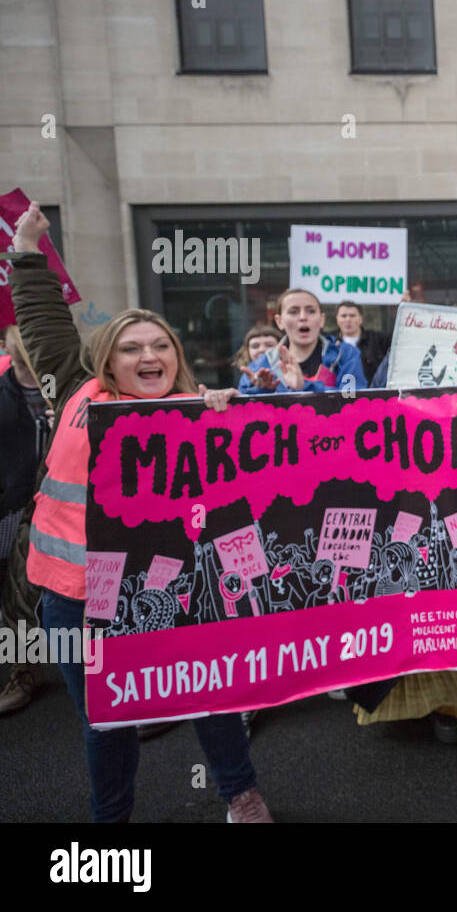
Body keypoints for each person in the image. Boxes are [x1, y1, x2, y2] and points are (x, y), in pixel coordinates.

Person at [9, 201, 272, 822]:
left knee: (212, 697)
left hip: (176, 593)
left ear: (176, 356)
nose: (147, 356)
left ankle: (241, 794)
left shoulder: (202, 412)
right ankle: (112, 824)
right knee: (107, 719)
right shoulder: (76, 390)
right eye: (131, 348)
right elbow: (43, 320)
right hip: (76, 597)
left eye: (160, 345)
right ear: (107, 359)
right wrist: (27, 247)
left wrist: (230, 416)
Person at [0, 325, 53, 713]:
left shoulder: (72, 385)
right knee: (13, 593)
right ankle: (26, 669)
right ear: (6, 343)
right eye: (20, 331)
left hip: (65, 505)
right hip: (12, 506)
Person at [238, 288, 367, 394]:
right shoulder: (263, 363)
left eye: (311, 311)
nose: (303, 317)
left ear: (321, 319)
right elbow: (244, 404)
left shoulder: (346, 355)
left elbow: (354, 400)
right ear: (279, 321)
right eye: (293, 312)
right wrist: (262, 390)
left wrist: (304, 386)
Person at [333, 300, 390, 383]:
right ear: (337, 319)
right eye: (343, 316)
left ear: (360, 319)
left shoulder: (378, 340)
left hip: (372, 393)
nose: (348, 319)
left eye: (352, 316)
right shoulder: (329, 342)